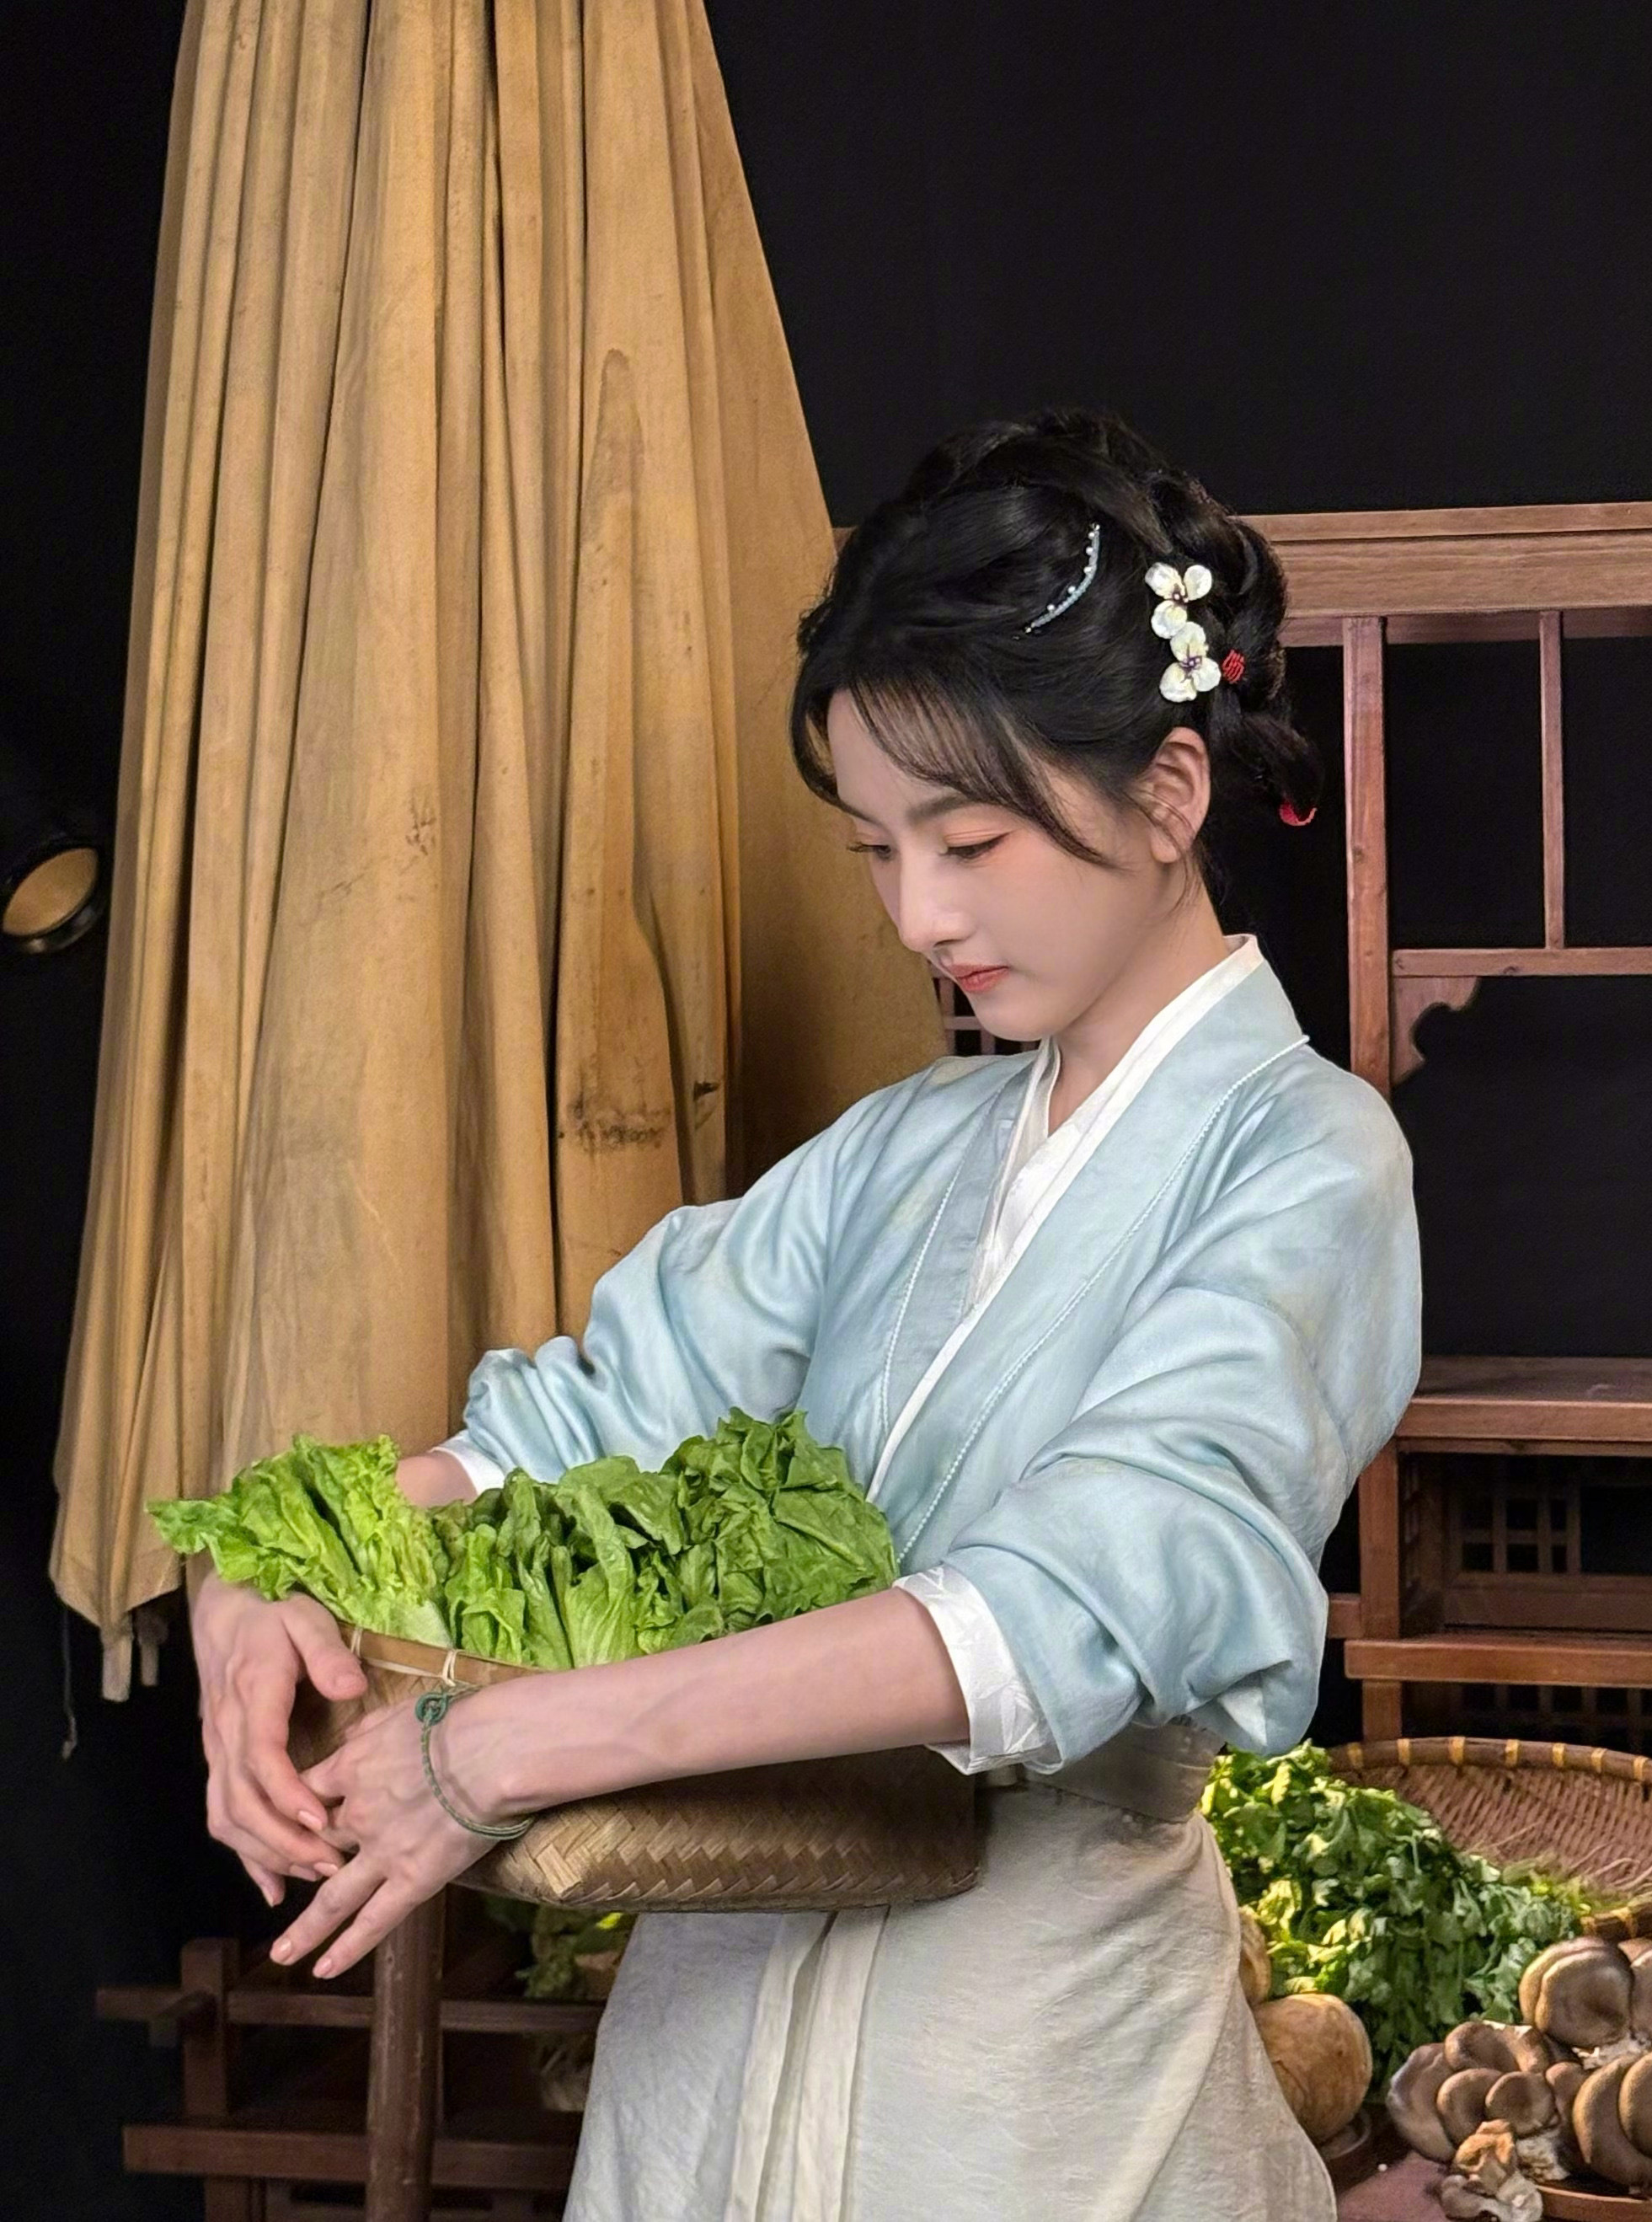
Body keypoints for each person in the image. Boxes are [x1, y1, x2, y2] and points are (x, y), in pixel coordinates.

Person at [190, 406, 1422, 2220]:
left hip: (1034, 2095)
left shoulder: (1306, 1160)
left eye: (969, 838)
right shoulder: (903, 1144)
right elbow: (570, 1428)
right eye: (873, 849)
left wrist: (510, 1743)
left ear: (1169, 794)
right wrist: (265, 1562)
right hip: (703, 2054)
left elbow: (1070, 1603)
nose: (918, 914)